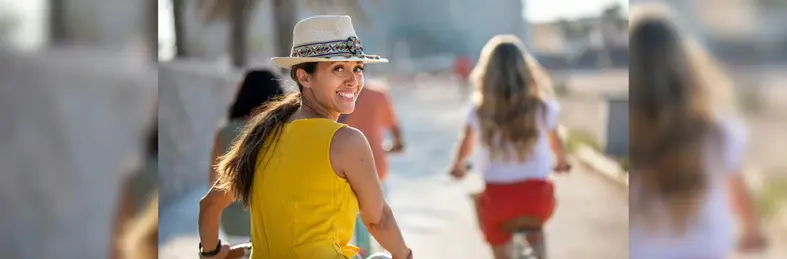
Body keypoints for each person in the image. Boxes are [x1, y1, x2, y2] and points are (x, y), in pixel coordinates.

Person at [197, 15, 412, 259]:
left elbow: (209, 206)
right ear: (304, 76)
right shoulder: (345, 140)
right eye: (338, 68)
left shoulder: (261, 134)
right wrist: (406, 255)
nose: (353, 80)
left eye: (358, 69)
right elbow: (378, 220)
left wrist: (211, 253)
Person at [628, 7, 767, 259]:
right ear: (685, 64)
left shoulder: (629, 138)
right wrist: (750, 232)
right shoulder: (719, 134)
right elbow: (740, 198)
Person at [447, 34, 570, 259]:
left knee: (494, 233)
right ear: (525, 68)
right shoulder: (542, 106)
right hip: (537, 199)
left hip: (498, 200)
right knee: (538, 220)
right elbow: (557, 143)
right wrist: (562, 162)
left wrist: (458, 166)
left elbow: (465, 144)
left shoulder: (479, 109)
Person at [208, 69, 286, 246]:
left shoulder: (226, 132)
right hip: (276, 225)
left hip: (235, 225)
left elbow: (214, 182)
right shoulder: (285, 131)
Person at [339, 80, 405, 256]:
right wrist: (394, 146)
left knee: (351, 220)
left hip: (342, 166)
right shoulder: (378, 94)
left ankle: (361, 251)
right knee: (376, 214)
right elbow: (395, 129)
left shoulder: (335, 95)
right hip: (376, 164)